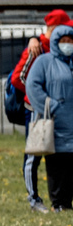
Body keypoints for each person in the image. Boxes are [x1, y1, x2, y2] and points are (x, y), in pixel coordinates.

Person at [11, 16, 63, 210]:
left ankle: (59, 199)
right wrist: (38, 97)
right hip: (36, 110)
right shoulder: (37, 47)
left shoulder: (59, 49)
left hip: (57, 110)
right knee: (34, 155)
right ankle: (33, 198)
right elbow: (18, 78)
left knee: (57, 155)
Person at [29, 20, 73, 211]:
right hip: (55, 123)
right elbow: (32, 86)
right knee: (56, 165)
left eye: (70, 40)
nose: (67, 44)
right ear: (55, 41)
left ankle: (68, 202)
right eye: (63, 40)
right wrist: (51, 105)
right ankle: (59, 202)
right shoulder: (44, 61)